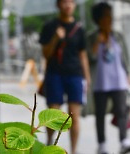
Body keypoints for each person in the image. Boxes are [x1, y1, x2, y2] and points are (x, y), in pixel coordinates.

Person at [39, 0, 91, 154]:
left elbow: (83, 55)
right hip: (54, 74)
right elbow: (45, 54)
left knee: (74, 116)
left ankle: (74, 150)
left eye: (71, 1)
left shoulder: (80, 29)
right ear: (58, 5)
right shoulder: (49, 27)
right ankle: (49, 145)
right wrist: (55, 38)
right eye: (64, 1)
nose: (68, 4)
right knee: (53, 114)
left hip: (75, 75)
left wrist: (87, 77)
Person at [88, 2, 130, 154]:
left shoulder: (117, 36)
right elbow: (90, 58)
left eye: (110, 15)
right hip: (100, 83)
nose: (109, 19)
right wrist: (97, 42)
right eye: (105, 16)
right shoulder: (91, 37)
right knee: (100, 114)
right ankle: (102, 144)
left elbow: (125, 57)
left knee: (122, 111)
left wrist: (128, 74)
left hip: (119, 81)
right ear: (98, 19)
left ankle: (124, 140)